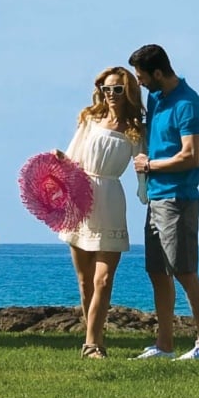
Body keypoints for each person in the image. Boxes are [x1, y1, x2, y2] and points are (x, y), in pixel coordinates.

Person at [128, 43, 199, 359]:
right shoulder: (156, 99)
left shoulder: (188, 105)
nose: (139, 83)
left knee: (184, 271)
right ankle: (164, 345)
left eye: (141, 77)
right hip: (155, 198)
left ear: (158, 73)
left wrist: (149, 165)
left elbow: (192, 156)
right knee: (157, 272)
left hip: (178, 199)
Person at [60, 66, 144, 358]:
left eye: (117, 89)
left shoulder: (136, 128)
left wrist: (144, 190)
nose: (111, 95)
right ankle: (94, 339)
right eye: (107, 89)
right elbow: (71, 158)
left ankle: (92, 344)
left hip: (110, 199)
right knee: (85, 282)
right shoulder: (90, 119)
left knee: (103, 279)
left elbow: (142, 166)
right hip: (81, 199)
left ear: (129, 92)